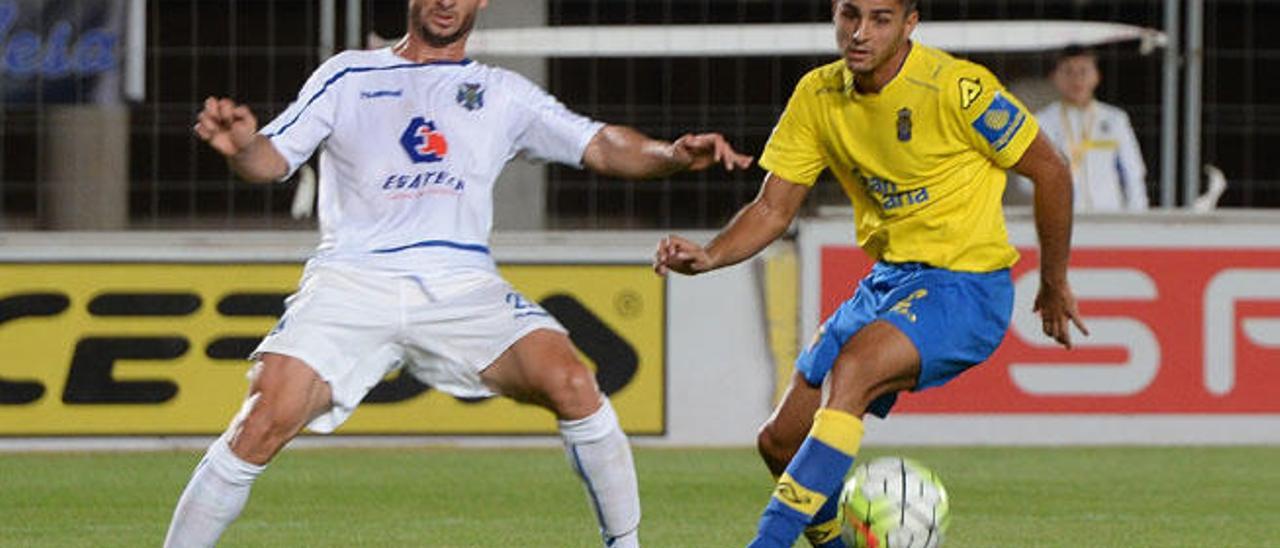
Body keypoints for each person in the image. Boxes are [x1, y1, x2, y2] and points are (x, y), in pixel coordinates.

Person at [165, 0, 753, 546]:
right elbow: (270, 161)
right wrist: (241, 148)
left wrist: (670, 156)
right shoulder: (347, 76)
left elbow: (599, 144)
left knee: (574, 383)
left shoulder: (501, 93)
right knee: (261, 419)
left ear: (482, 2)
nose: (446, 0)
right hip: (352, 279)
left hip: (463, 287)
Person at [653, 1, 1087, 546]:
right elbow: (773, 208)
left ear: (910, 23)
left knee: (853, 369)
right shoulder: (818, 94)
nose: (859, 33)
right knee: (780, 443)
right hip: (887, 282)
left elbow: (1050, 170)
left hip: (966, 285)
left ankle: (767, 541)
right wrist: (712, 255)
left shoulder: (957, 88)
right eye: (848, 15)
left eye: (880, 19)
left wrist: (1053, 280)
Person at [1036, 44, 1148, 211]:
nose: (1077, 79)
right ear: (1054, 77)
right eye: (1068, 71)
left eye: (1083, 71)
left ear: (1096, 75)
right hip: (1063, 218)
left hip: (1109, 217)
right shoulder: (1042, 121)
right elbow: (1030, 177)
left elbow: (1133, 173)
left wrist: (1138, 218)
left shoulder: (1115, 119)